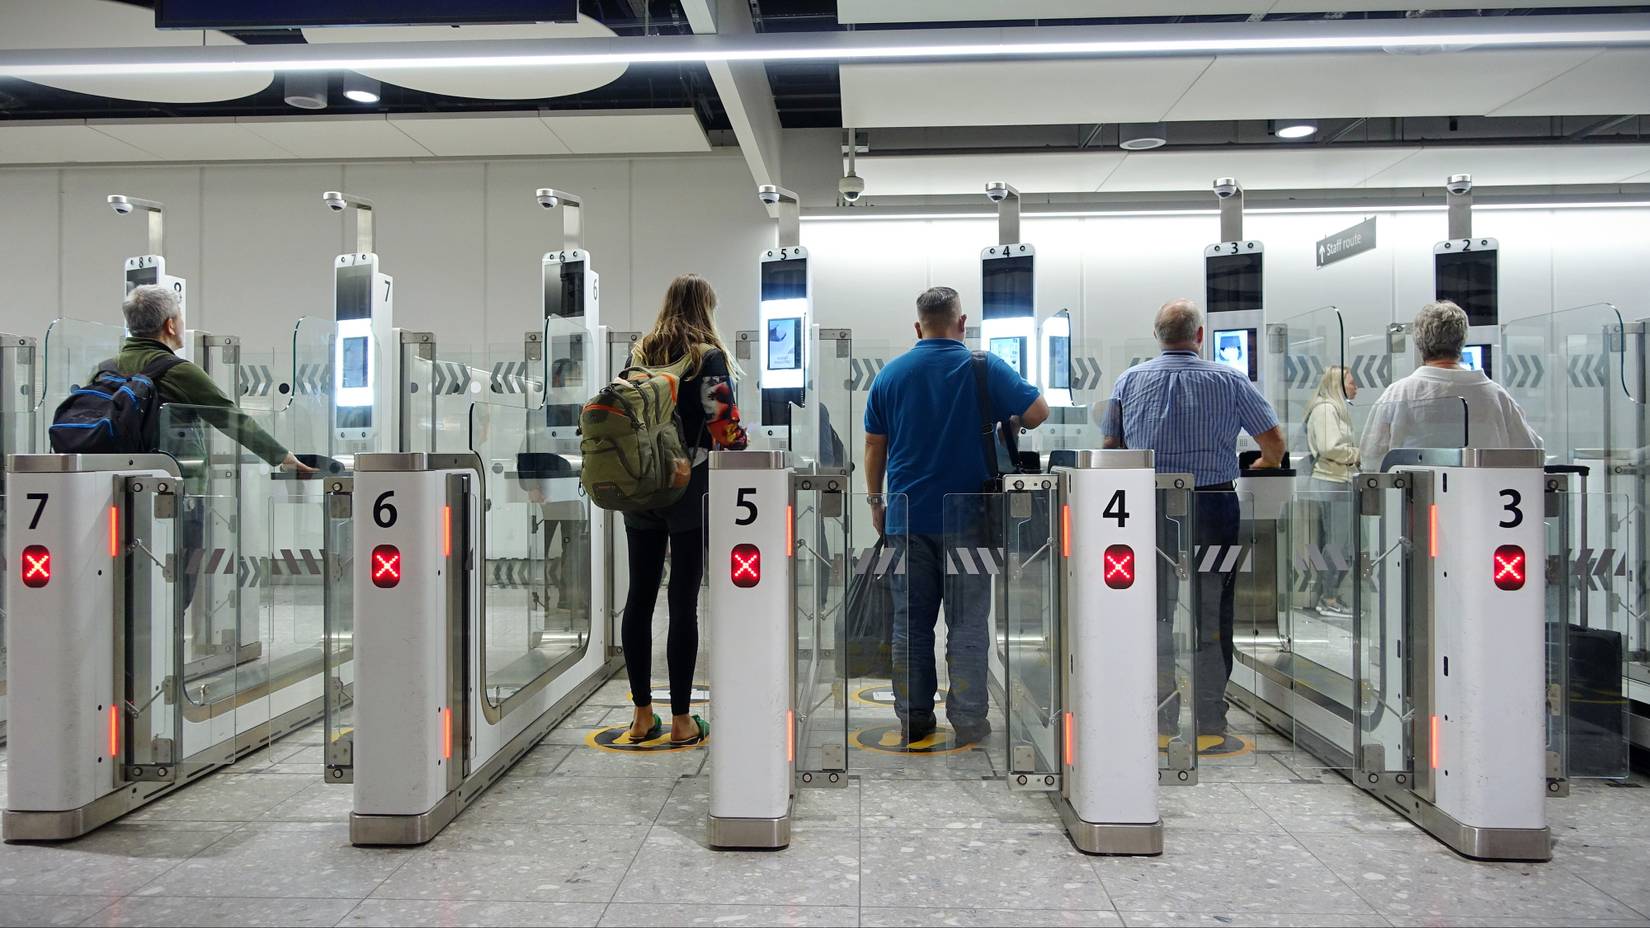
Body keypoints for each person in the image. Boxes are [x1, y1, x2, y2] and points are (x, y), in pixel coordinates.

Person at [864, 286, 1049, 745]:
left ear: (917, 326)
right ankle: (969, 719)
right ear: (961, 323)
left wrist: (875, 503)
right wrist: (1007, 423)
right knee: (968, 622)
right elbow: (1038, 412)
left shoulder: (890, 375)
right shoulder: (984, 367)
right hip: (973, 517)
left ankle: (914, 718)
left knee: (910, 622)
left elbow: (874, 447)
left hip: (907, 516)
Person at [1102, 298, 1285, 736]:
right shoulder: (1230, 379)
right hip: (1213, 506)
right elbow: (1274, 445)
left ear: (1157, 336)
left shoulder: (1129, 381)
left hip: (1151, 509)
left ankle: (1161, 714)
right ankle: (1209, 715)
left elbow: (1110, 450)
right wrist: (1260, 464)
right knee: (1212, 610)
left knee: (1154, 610)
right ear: (1199, 336)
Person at [106, 285, 313, 610]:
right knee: (175, 587)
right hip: (175, 495)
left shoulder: (106, 369)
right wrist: (285, 458)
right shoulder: (177, 371)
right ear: (170, 325)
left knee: (123, 584)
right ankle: (159, 654)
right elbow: (232, 419)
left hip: (114, 494)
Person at [621, 274, 747, 745]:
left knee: (639, 596)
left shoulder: (640, 352)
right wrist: (745, 450)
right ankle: (680, 720)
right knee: (683, 599)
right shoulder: (706, 355)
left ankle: (639, 715)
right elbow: (723, 424)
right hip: (688, 489)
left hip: (640, 488)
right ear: (706, 308)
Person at [1360, 300, 1541, 467]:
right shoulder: (1497, 397)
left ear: (1418, 341)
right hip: (1486, 498)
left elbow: (1371, 458)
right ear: (1462, 340)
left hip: (1416, 499)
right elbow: (1532, 452)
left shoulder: (1398, 395)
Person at [1304, 366, 1359, 618]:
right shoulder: (1326, 409)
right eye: (1351, 381)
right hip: (1332, 482)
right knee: (1337, 544)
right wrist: (1356, 455)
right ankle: (1328, 597)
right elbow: (1329, 447)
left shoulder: (1335, 410)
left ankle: (1331, 594)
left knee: (1342, 543)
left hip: (1338, 482)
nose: (1355, 386)